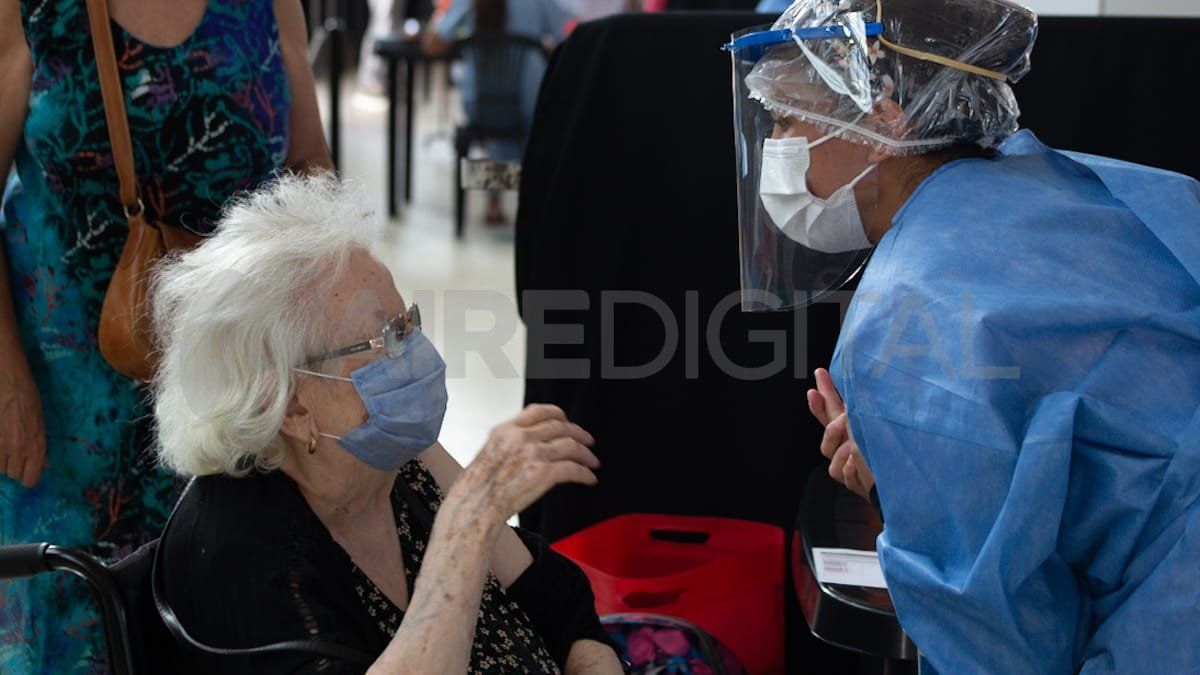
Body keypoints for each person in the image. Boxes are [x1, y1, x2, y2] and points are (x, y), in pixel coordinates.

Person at [725, 0, 1200, 672]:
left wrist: (896, 487)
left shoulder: (906, 318)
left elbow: (1003, 643)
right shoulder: (1068, 182)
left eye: (783, 119)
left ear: (883, 119)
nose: (773, 150)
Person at [149, 174, 624, 674]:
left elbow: (560, 605)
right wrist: (466, 527)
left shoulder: (396, 459)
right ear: (290, 406)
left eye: (406, 323)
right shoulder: (240, 554)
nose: (416, 353)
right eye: (385, 340)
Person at [0, 0, 331, 670]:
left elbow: (307, 162)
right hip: (65, 416)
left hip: (229, 400)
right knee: (74, 635)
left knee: (219, 623)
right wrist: (5, 375)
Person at [423, 0, 573, 223]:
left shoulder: (468, 3)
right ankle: (532, 195)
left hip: (481, 106)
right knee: (535, 127)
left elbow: (433, 45)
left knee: (497, 124)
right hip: (529, 106)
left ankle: (493, 198)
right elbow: (568, 35)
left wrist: (436, 20)